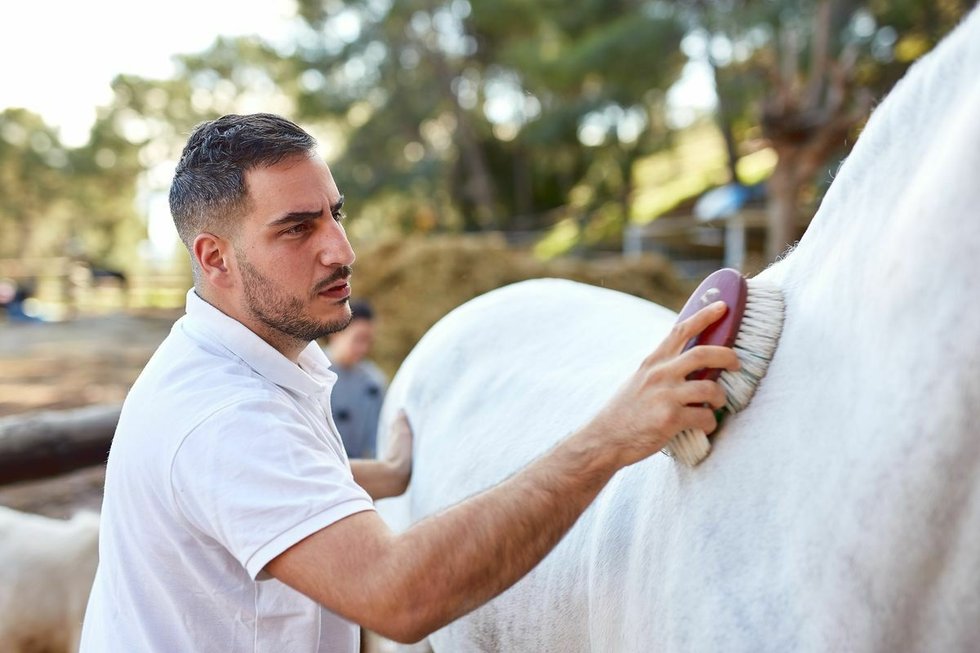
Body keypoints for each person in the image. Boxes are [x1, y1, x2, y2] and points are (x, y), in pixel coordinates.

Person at [80, 113, 739, 652]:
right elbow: (398, 595)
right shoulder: (224, 415)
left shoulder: (234, 362)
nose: (341, 249)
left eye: (335, 213)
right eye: (297, 229)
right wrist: (610, 435)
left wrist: (387, 475)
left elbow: (259, 493)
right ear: (215, 257)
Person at [321, 299, 386, 459]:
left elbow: (378, 438)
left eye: (367, 341)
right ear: (336, 332)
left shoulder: (373, 381)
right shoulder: (310, 370)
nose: (363, 348)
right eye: (358, 339)